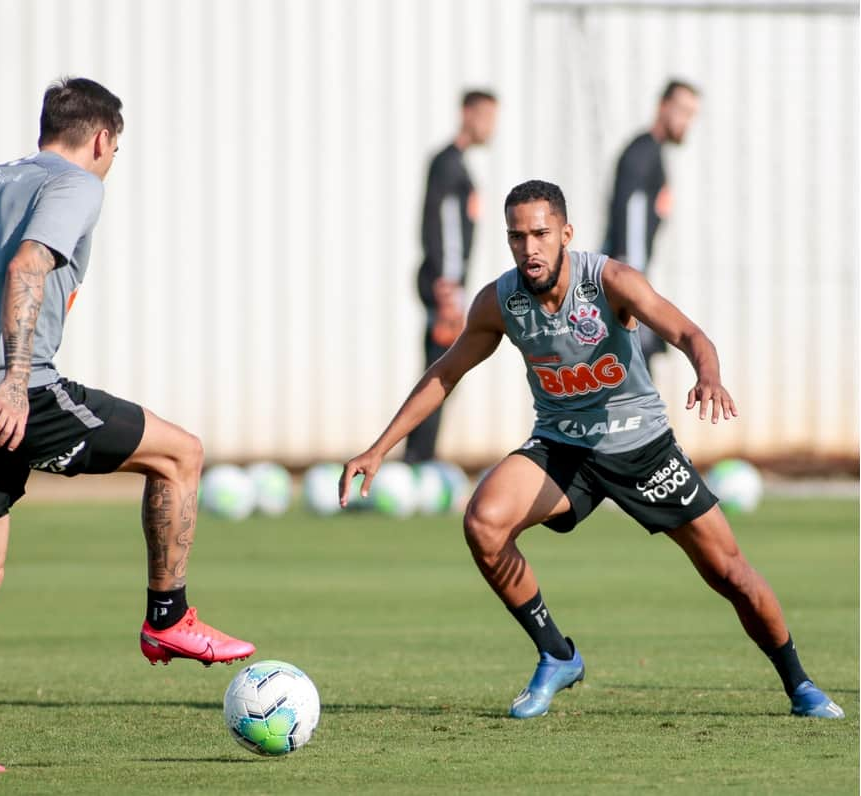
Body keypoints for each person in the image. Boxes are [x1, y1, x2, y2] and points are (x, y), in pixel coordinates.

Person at [340, 179, 843, 721]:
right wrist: (378, 449)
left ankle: (800, 683)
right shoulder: (500, 301)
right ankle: (557, 654)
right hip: (562, 448)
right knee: (484, 522)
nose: (529, 248)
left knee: (730, 575)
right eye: (516, 237)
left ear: (566, 234)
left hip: (642, 449)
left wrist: (709, 376)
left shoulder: (610, 281)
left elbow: (691, 334)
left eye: (540, 234)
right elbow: (446, 374)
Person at [0, 77, 255, 775]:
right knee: (181, 455)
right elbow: (29, 263)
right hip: (15, 392)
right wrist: (19, 382)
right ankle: (168, 617)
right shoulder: (78, 183)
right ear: (103, 138)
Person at [405, 89, 499, 465]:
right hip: (446, 288)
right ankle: (417, 461)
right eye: (487, 117)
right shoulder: (448, 164)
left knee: (442, 372)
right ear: (468, 114)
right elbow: (445, 229)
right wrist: (450, 290)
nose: (491, 127)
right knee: (439, 374)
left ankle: (421, 456)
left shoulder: (457, 165)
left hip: (450, 286)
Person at [602, 79, 700, 373]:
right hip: (626, 278)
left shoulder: (652, 154)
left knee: (632, 371)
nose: (686, 121)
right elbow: (629, 216)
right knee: (637, 369)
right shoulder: (642, 153)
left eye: (692, 114)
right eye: (682, 110)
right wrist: (633, 281)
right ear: (663, 107)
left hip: (629, 276)